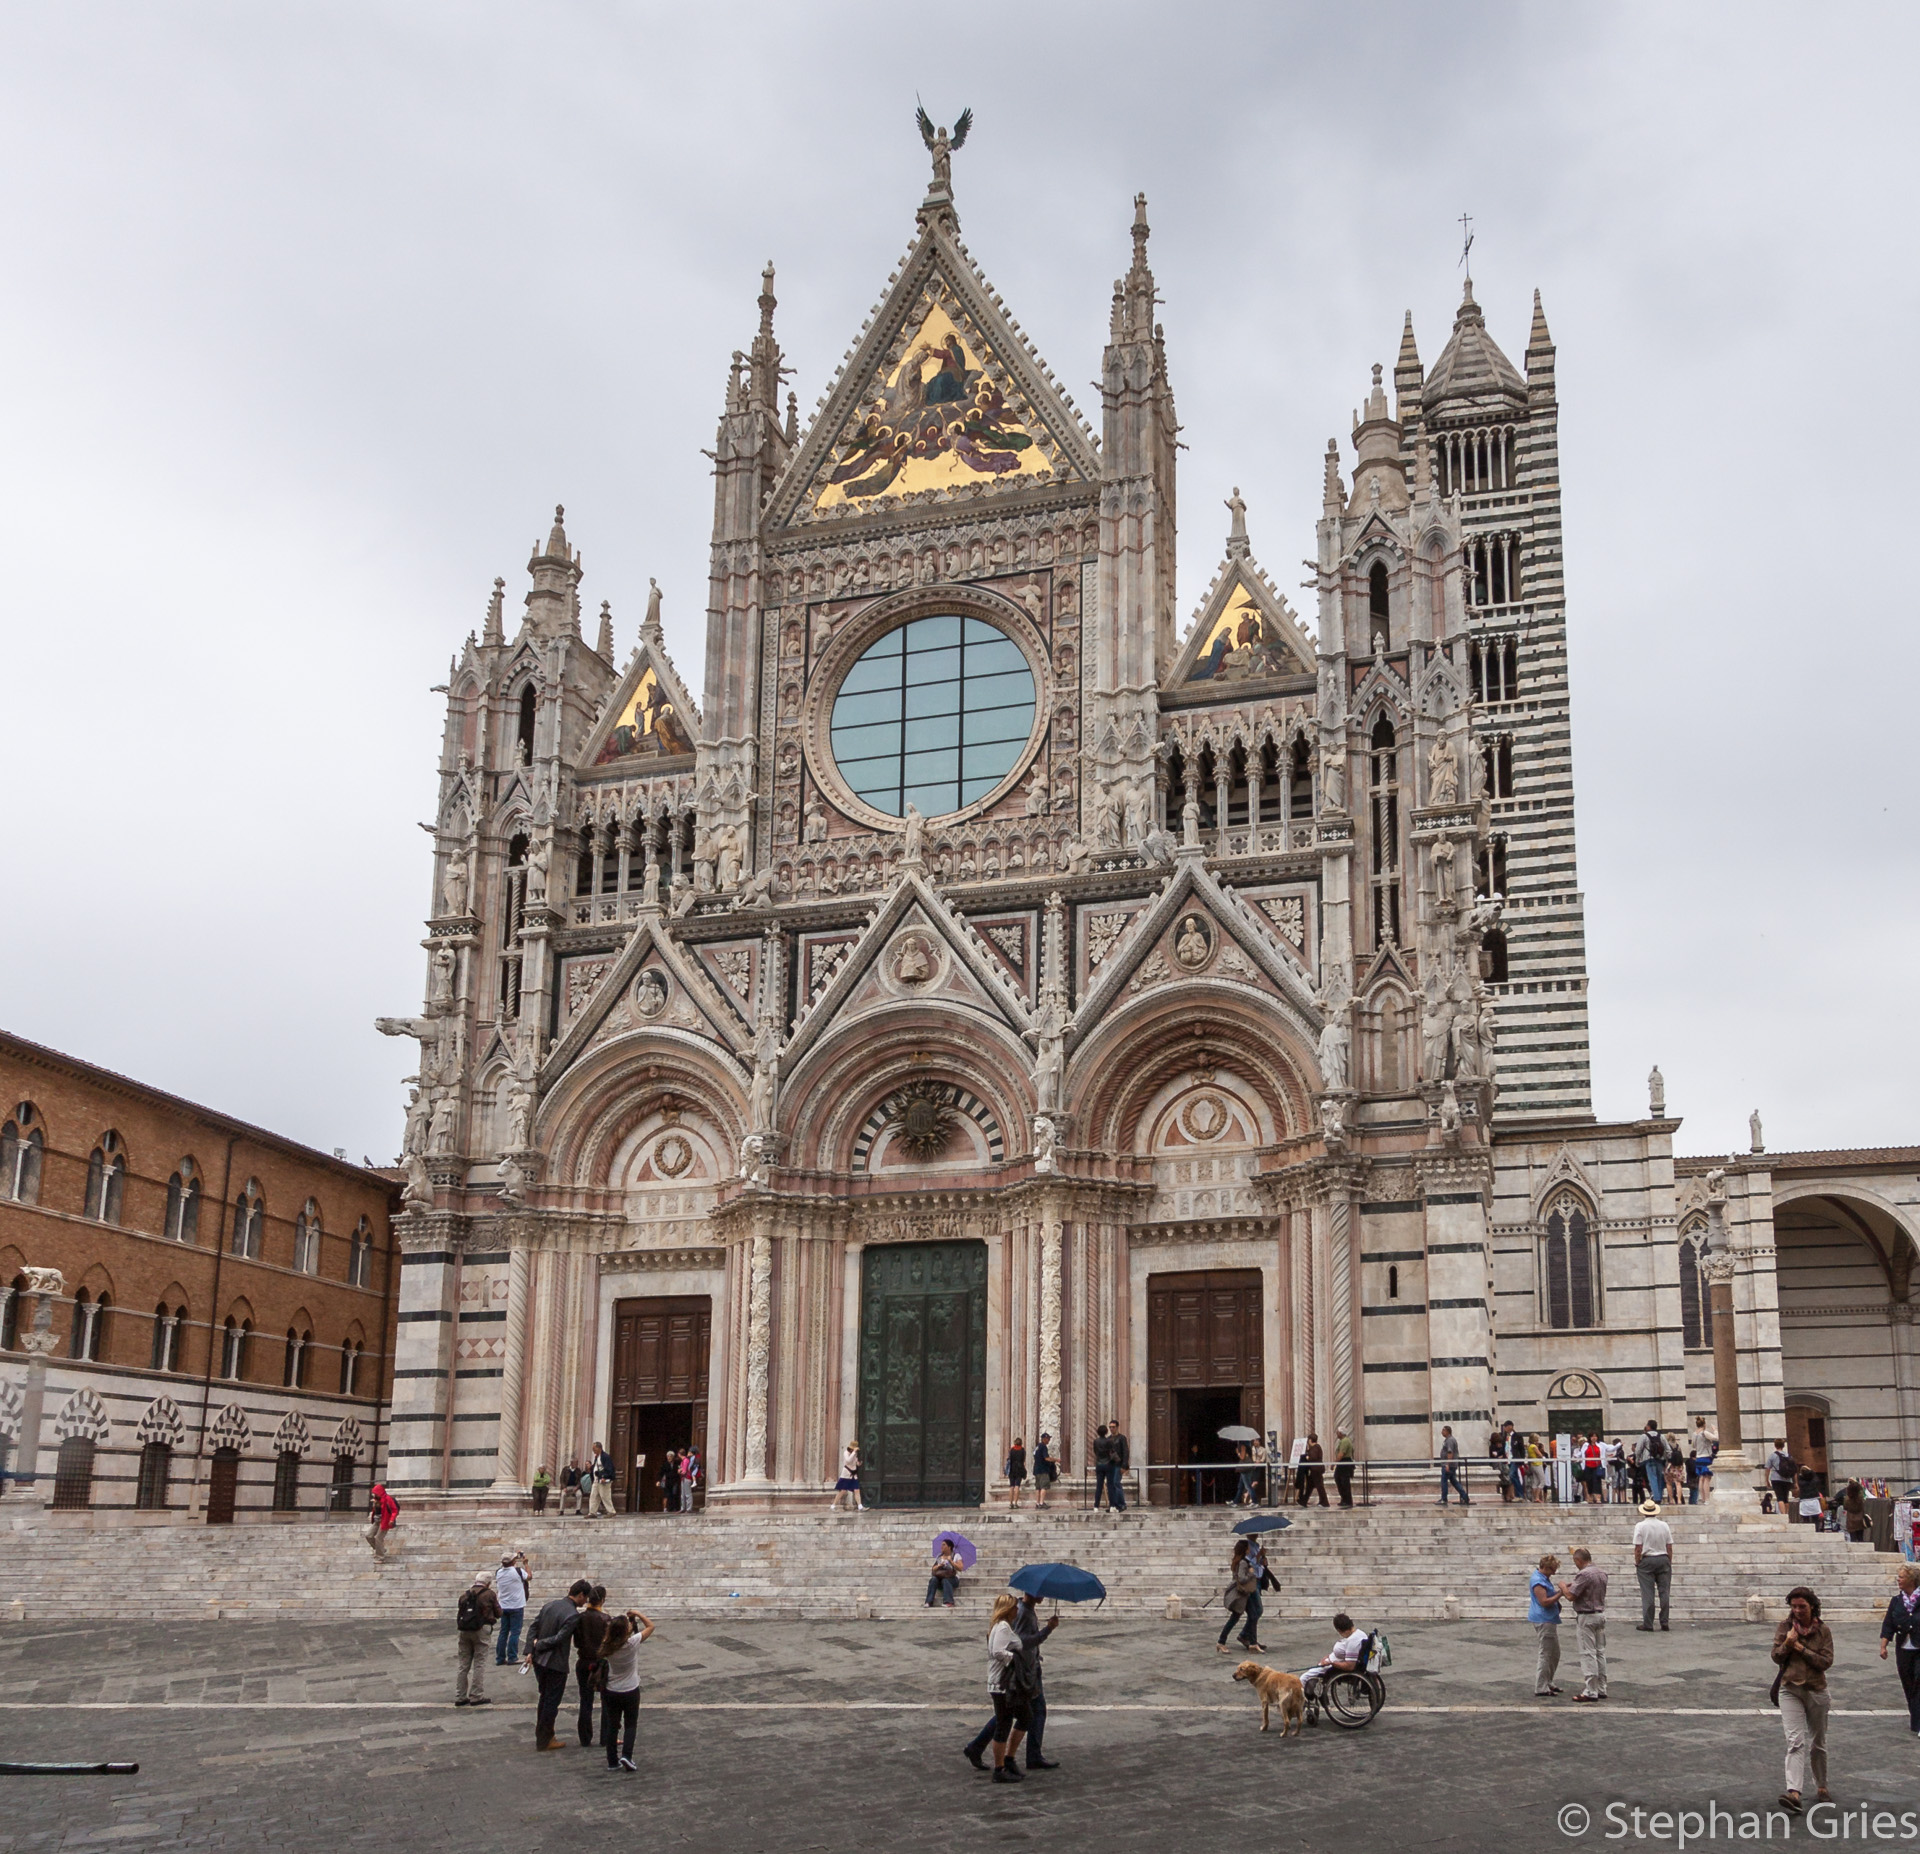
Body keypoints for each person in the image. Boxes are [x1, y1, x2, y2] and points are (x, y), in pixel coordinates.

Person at [965, 1591, 1060, 1774]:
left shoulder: (1024, 1611)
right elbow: (1021, 1644)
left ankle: (981, 1749)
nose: (1044, 1595)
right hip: (1020, 1674)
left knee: (1013, 1714)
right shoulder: (1021, 1614)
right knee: (1021, 1714)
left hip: (1027, 1670)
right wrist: (1047, 1630)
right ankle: (1015, 1759)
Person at [1772, 1585, 1833, 1814]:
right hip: (1790, 1689)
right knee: (1795, 1741)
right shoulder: (1785, 1628)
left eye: (1802, 1606)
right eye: (1794, 1606)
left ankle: (1821, 1785)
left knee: (1818, 1742)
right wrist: (1787, 1644)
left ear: (1812, 1607)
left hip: (1816, 1690)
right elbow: (1775, 1656)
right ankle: (1794, 1792)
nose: (1797, 1610)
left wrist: (1800, 1647)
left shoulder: (1823, 1631)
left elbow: (1826, 1661)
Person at [524, 1579, 591, 1750]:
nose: (586, 1602)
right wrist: (538, 1645)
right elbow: (560, 1638)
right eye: (586, 1597)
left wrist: (530, 1649)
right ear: (581, 1595)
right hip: (555, 1662)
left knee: (544, 1698)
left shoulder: (550, 1605)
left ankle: (543, 1735)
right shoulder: (572, 1615)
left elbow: (533, 1627)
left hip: (539, 1660)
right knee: (551, 1702)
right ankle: (545, 1738)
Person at [981, 1594, 1035, 1783]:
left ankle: (1008, 1760)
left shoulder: (1001, 1626)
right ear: (1008, 1609)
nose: (1017, 1610)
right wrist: (1015, 1659)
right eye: (1014, 1607)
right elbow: (997, 1651)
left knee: (1024, 1716)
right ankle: (1000, 1767)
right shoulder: (1003, 1627)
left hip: (1003, 1683)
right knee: (1005, 1723)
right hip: (1003, 1684)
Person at [599, 1608, 655, 1772]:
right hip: (630, 1689)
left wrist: (626, 1624)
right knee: (631, 1724)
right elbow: (651, 1626)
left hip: (611, 1689)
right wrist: (637, 1614)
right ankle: (627, 1755)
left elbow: (611, 1635)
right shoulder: (632, 1643)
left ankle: (612, 1760)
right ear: (625, 1631)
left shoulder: (606, 1646)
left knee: (612, 1725)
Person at [1560, 1547, 1608, 1702]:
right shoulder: (1601, 1572)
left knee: (1588, 1653)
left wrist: (1562, 1587)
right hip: (1600, 1614)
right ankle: (1601, 1687)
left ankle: (1590, 1690)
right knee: (1600, 1652)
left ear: (1578, 1560)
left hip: (1586, 1616)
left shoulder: (1584, 1574)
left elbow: (1571, 1596)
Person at [1878, 1563, 1920, 1737]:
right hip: (1904, 1649)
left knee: (1919, 1681)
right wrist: (1883, 1645)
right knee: (1908, 1683)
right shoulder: (1896, 1601)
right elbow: (1888, 1624)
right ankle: (1916, 1714)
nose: (1898, 1580)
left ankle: (1918, 1723)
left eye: (1901, 1577)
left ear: (1911, 1579)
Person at [454, 1569, 499, 1707]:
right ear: (488, 1583)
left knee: (463, 1664)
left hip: (464, 1630)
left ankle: (460, 1696)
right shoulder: (489, 1594)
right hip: (481, 1629)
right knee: (479, 1663)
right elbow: (499, 1612)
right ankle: (476, 1695)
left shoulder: (464, 1595)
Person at [1300, 1613, 1371, 1700]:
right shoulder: (1360, 1633)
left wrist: (1331, 1662)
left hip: (1332, 1666)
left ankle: (1301, 1701)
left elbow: (1349, 1666)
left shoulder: (1352, 1641)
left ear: (1339, 1630)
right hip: (1331, 1661)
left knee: (1303, 1678)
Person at [573, 1582, 610, 1747]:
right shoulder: (606, 1619)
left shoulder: (579, 1618)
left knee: (585, 1700)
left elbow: (576, 1642)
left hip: (583, 1661)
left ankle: (585, 1737)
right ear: (602, 1600)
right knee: (607, 1701)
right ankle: (606, 1736)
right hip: (600, 1663)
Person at [1216, 1537, 1264, 1654]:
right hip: (1242, 1594)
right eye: (1248, 1547)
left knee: (1252, 1616)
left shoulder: (1238, 1560)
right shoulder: (1242, 1562)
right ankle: (1221, 1642)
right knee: (1237, 1618)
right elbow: (1242, 1578)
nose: (1249, 1549)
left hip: (1244, 1594)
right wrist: (1251, 1574)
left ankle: (1253, 1643)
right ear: (1245, 1549)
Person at [1633, 1500, 1674, 1631]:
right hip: (1663, 1558)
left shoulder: (1640, 1526)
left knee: (1648, 1593)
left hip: (1647, 1559)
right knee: (1664, 1591)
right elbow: (1669, 1546)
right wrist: (1669, 1560)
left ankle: (1648, 1623)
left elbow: (1638, 1547)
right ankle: (1664, 1621)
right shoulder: (1664, 1525)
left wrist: (1637, 1561)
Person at [1530, 1554, 1564, 1698]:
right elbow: (1544, 1601)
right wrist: (1560, 1593)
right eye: (1552, 1569)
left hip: (1549, 1618)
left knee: (1555, 1653)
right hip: (1544, 1619)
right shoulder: (1538, 1581)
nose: (1554, 1573)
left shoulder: (1544, 1578)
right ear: (1545, 1567)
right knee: (1546, 1653)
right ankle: (1541, 1686)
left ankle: (1548, 1680)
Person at [494, 1551, 529, 1664]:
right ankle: (512, 1657)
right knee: (515, 1632)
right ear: (514, 1561)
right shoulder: (518, 1571)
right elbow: (529, 1577)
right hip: (517, 1605)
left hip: (503, 1605)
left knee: (503, 1632)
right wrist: (526, 1563)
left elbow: (505, 1566)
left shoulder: (499, 1573)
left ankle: (500, 1658)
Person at [365, 1481, 398, 1558]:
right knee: (368, 1536)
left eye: (375, 1493)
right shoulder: (376, 1500)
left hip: (385, 1521)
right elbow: (376, 1511)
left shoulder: (388, 1499)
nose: (374, 1494)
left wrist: (392, 1520)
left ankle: (380, 1556)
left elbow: (394, 1510)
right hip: (377, 1521)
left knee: (378, 1538)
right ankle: (380, 1549)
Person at [1437, 1425, 1468, 1506]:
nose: (1442, 1432)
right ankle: (1464, 1496)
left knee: (1444, 1481)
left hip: (1449, 1465)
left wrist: (1447, 1464)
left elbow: (1450, 1452)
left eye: (1443, 1430)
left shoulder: (1450, 1440)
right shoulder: (1448, 1440)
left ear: (1447, 1431)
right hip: (1451, 1465)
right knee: (1454, 1481)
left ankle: (1444, 1499)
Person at [928, 1538, 962, 1608]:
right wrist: (939, 1565)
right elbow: (933, 1569)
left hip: (952, 1579)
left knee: (946, 1580)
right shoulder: (939, 1556)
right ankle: (929, 1601)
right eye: (941, 1545)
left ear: (949, 1547)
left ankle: (949, 1602)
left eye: (944, 1545)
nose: (941, 1547)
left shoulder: (956, 1556)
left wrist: (951, 1561)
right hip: (940, 1578)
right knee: (933, 1579)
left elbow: (960, 1568)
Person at [1105, 1419, 1130, 1513]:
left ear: (1117, 1427)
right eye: (1110, 1427)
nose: (1112, 1429)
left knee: (1116, 1482)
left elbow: (1125, 1452)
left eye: (1113, 1427)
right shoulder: (1108, 1439)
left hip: (1118, 1465)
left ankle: (1122, 1504)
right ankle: (1113, 1505)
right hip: (1110, 1466)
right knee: (1110, 1485)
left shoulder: (1122, 1438)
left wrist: (1124, 1465)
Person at [831, 1440, 862, 1513]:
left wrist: (858, 1463)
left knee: (857, 1490)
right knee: (843, 1490)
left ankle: (860, 1506)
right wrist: (854, 1453)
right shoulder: (846, 1453)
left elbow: (854, 1463)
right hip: (846, 1475)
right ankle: (833, 1505)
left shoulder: (855, 1454)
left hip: (853, 1475)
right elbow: (848, 1461)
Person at [1692, 1417, 1717, 1504]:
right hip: (1706, 1457)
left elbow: (1693, 1446)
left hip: (1698, 1457)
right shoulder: (1704, 1432)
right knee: (1707, 1478)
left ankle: (1701, 1498)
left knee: (1701, 1478)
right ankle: (1707, 1499)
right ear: (1704, 1424)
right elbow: (1716, 1438)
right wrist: (1715, 1430)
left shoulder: (1694, 1434)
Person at [588, 1443, 616, 1518]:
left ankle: (611, 1511)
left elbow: (609, 1469)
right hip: (596, 1480)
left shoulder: (605, 1457)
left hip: (603, 1480)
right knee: (594, 1496)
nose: (593, 1451)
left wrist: (604, 1476)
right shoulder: (597, 1457)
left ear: (599, 1448)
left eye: (594, 1449)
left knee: (605, 1496)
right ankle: (592, 1512)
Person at [1767, 1440, 1795, 1515]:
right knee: (1786, 1497)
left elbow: (1767, 1468)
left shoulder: (1773, 1455)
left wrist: (1767, 1480)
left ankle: (1783, 1514)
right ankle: (1787, 1513)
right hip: (1788, 1479)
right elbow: (1793, 1468)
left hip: (1776, 1479)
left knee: (1780, 1497)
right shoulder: (1788, 1455)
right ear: (1783, 1446)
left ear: (1775, 1445)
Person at [1090, 1425, 1112, 1509]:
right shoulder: (1108, 1441)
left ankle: (1096, 1505)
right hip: (1107, 1464)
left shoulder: (1096, 1441)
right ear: (1106, 1432)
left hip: (1099, 1464)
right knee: (1110, 1485)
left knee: (1099, 1486)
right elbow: (1110, 1452)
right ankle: (1112, 1505)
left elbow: (1095, 1451)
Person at [1840, 1479, 1868, 1544]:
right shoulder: (1860, 1500)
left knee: (1853, 1539)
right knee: (1860, 1538)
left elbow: (1845, 1507)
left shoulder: (1847, 1499)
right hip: (1860, 1520)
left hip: (1851, 1520)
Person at [1033, 1434, 1056, 1508]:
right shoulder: (1043, 1447)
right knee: (1044, 1486)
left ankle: (1037, 1503)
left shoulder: (1037, 1447)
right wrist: (1056, 1460)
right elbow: (1046, 1458)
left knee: (1038, 1487)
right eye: (1048, 1439)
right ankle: (1041, 1503)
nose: (1049, 1440)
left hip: (1036, 1469)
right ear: (1044, 1439)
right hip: (1043, 1470)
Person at [1334, 1430, 1355, 1507]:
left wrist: (1334, 1463)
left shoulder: (1345, 1441)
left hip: (1344, 1463)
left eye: (1337, 1433)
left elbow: (1341, 1453)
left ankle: (1347, 1500)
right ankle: (1344, 1499)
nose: (1336, 1434)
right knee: (1339, 1479)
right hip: (1343, 1463)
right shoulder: (1344, 1440)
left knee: (1344, 1481)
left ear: (1340, 1433)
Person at [1005, 1437, 1027, 1507]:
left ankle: (1010, 1503)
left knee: (1011, 1486)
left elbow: (1008, 1459)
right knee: (1017, 1486)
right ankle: (1015, 1503)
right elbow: (1023, 1460)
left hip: (1012, 1469)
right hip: (1019, 1469)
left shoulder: (1011, 1450)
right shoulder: (1023, 1450)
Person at [658, 1448, 681, 1514]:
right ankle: (666, 1508)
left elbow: (679, 1470)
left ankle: (674, 1508)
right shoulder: (665, 1464)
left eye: (670, 1456)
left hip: (675, 1482)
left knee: (674, 1494)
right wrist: (658, 1480)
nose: (669, 1458)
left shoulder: (677, 1464)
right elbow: (661, 1473)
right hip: (667, 1482)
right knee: (667, 1495)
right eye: (668, 1456)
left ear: (673, 1457)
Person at [679, 1446, 700, 1513]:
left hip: (687, 1478)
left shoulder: (686, 1460)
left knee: (687, 1493)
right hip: (683, 1478)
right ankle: (683, 1508)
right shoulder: (686, 1460)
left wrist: (680, 1471)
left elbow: (685, 1470)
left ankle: (688, 1508)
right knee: (683, 1494)